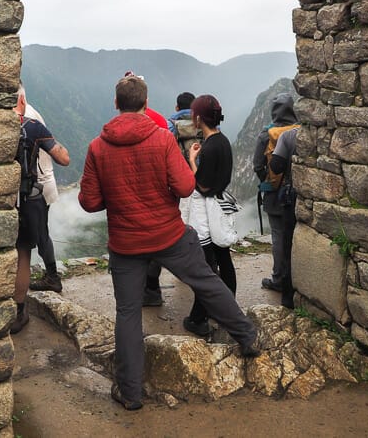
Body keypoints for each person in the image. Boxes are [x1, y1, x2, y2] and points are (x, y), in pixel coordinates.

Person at [78, 73, 259, 411]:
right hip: (168, 235)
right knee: (206, 281)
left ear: (116, 104)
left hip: (126, 243)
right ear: (146, 104)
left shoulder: (97, 147)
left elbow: (88, 201)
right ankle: (247, 336)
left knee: (128, 312)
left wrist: (115, 197)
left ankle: (130, 393)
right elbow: (185, 187)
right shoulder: (162, 139)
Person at [11, 87, 70, 334]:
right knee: (24, 253)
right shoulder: (32, 124)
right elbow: (63, 158)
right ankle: (19, 311)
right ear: (22, 98)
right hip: (29, 197)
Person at [183, 94, 240, 336]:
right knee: (223, 259)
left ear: (198, 119)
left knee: (206, 266)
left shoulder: (210, 147)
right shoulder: (223, 141)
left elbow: (203, 185)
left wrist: (192, 161)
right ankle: (228, 309)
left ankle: (198, 318)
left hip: (207, 213)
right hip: (220, 207)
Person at [144, 91, 197, 307]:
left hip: (174, 189)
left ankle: (151, 289)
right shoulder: (205, 126)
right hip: (201, 189)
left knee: (161, 238)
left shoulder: (169, 128)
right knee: (198, 235)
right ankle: (195, 278)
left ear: (176, 107)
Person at [252, 93, 298, 295]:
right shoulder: (300, 131)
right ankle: (296, 279)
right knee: (294, 236)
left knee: (278, 236)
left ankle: (279, 279)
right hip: (298, 192)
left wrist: (269, 182)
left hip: (275, 194)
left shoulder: (266, 135)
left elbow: (257, 165)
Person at [25, 102, 64, 293]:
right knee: (40, 232)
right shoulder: (30, 112)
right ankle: (51, 275)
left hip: (38, 183)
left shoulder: (27, 115)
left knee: (39, 233)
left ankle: (52, 277)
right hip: (40, 182)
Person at [268, 126, 297, 308]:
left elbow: (276, 166)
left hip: (291, 197)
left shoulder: (287, 136)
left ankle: (288, 296)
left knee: (287, 244)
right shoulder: (310, 132)